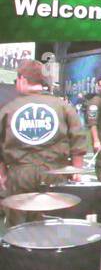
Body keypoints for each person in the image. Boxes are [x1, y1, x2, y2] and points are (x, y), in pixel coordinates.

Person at [0, 60, 86, 220]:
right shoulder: (63, 106)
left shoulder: (8, 109)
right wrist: (76, 170)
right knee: (52, 223)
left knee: (18, 228)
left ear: (22, 80)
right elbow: (78, 138)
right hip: (55, 172)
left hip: (20, 174)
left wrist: (3, 174)